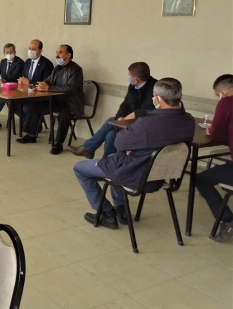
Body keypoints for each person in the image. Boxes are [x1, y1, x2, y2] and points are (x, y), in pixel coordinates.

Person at [73, 78, 195, 229]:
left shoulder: (147, 123)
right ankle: (121, 209)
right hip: (159, 176)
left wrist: (132, 146)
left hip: (135, 175)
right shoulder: (189, 121)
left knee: (80, 168)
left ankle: (106, 213)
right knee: (111, 158)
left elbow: (119, 142)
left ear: (157, 99)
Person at [69, 62, 157, 159]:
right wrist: (119, 117)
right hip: (131, 122)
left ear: (135, 79)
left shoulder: (156, 88)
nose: (128, 77)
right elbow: (126, 103)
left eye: (129, 75)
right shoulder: (133, 85)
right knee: (111, 134)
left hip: (145, 125)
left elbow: (152, 110)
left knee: (110, 121)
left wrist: (134, 114)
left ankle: (88, 149)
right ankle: (106, 161)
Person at [16, 44, 84, 155]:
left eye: (60, 52)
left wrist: (48, 88)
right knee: (34, 105)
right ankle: (31, 135)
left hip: (71, 103)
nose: (57, 55)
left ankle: (58, 144)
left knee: (63, 115)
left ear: (68, 55)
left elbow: (69, 88)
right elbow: (48, 80)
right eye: (57, 52)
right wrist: (38, 85)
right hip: (56, 101)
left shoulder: (76, 69)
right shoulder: (57, 68)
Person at [195, 74, 233, 242]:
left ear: (223, 93)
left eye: (217, 95)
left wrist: (212, 130)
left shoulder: (226, 102)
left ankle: (228, 220)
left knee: (200, 179)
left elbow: (216, 134)